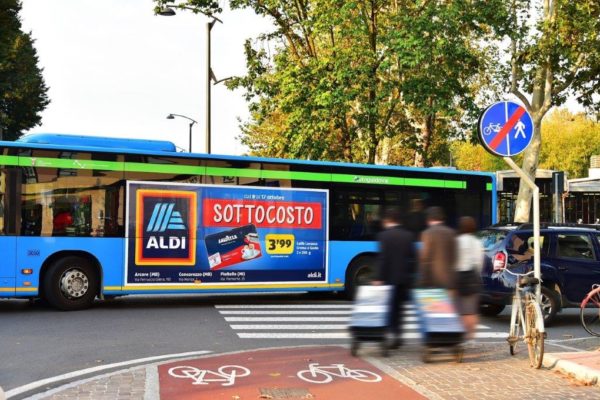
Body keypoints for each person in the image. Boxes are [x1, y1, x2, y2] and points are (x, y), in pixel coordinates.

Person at [372, 207, 416, 350]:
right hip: (404, 279)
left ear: (387, 220)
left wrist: (378, 277)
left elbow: (383, 259)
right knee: (400, 309)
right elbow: (413, 258)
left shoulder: (383, 236)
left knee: (390, 309)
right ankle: (398, 336)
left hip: (389, 279)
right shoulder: (408, 235)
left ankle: (389, 335)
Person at [455, 216, 484, 340]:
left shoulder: (457, 241)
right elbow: (479, 262)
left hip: (458, 278)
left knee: (458, 308)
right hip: (473, 278)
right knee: (471, 309)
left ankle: (458, 332)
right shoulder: (477, 242)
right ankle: (469, 334)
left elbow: (453, 260)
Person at [418, 206, 457, 291]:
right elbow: (455, 257)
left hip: (433, 284)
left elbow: (425, 260)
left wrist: (423, 282)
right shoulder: (452, 233)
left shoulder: (427, 233)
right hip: (450, 282)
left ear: (429, 219)